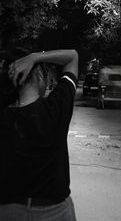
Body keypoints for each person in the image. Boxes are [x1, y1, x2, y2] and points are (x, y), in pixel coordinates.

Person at [0, 49, 79, 221]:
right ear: (38, 76)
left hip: (7, 211)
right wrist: (35, 57)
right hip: (54, 212)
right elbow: (72, 56)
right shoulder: (56, 109)